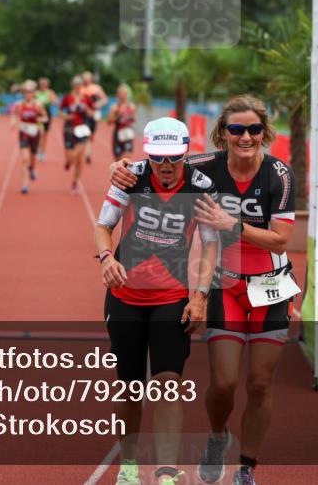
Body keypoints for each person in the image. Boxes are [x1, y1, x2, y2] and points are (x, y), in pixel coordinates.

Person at [111, 95, 298, 485]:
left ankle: (246, 467)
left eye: (253, 129)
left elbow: (280, 241)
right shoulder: (204, 165)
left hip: (270, 285)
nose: (245, 137)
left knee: (260, 383)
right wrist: (122, 168)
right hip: (225, 284)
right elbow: (159, 165)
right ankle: (217, 437)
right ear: (223, 134)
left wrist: (233, 225)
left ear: (264, 133)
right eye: (236, 129)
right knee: (225, 383)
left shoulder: (279, 173)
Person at [93, 117, 219, 485]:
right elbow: (103, 225)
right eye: (158, 157)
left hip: (170, 297)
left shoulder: (200, 187)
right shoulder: (130, 176)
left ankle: (166, 470)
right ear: (147, 152)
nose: (165, 166)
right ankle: (128, 465)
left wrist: (200, 296)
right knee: (129, 385)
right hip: (125, 298)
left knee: (168, 381)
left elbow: (210, 244)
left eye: (174, 158)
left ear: (185, 154)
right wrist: (106, 259)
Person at [10, 80, 48, 195]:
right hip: (24, 133)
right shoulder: (19, 104)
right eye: (26, 92)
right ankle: (25, 184)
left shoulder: (38, 105)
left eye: (30, 92)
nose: (28, 94)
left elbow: (45, 117)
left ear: (34, 93)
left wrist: (39, 120)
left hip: (34, 133)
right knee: (24, 158)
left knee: (32, 158)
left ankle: (32, 169)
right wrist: (13, 122)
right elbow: (13, 114)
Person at [60, 76, 92, 194]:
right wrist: (67, 116)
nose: (78, 87)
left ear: (82, 86)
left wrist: (87, 109)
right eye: (76, 84)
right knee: (71, 157)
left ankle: (75, 182)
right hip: (69, 128)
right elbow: (61, 111)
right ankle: (68, 162)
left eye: (80, 85)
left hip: (82, 128)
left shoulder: (86, 98)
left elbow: (91, 113)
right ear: (73, 86)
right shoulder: (68, 98)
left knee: (79, 156)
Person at [81, 71, 109, 164]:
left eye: (87, 77)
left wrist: (98, 104)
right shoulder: (80, 89)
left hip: (94, 114)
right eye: (84, 77)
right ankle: (87, 153)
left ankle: (88, 148)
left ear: (91, 79)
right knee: (87, 134)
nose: (85, 79)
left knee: (92, 135)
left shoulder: (96, 88)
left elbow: (105, 99)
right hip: (84, 115)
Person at [106, 84, 137, 162]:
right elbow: (109, 121)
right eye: (121, 94)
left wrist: (130, 117)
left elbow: (134, 119)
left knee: (127, 158)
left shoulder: (131, 106)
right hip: (117, 135)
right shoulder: (115, 107)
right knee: (117, 161)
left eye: (124, 94)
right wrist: (118, 115)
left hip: (127, 134)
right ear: (118, 95)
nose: (123, 96)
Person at [34, 77, 57, 161]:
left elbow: (56, 102)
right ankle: (37, 149)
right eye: (41, 84)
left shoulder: (50, 93)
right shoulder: (36, 93)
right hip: (38, 115)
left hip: (47, 115)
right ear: (39, 85)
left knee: (45, 135)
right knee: (40, 133)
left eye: (44, 84)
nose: (43, 85)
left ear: (47, 85)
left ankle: (42, 152)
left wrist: (52, 100)